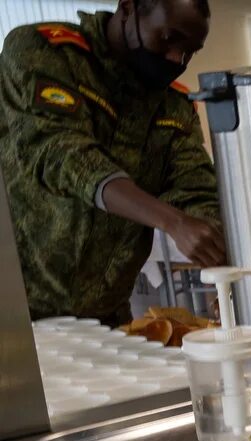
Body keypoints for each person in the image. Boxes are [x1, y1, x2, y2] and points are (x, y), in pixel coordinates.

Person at [0, 0, 223, 324]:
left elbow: (194, 187)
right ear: (128, 7)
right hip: (17, 308)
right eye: (168, 38)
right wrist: (171, 221)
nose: (178, 58)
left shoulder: (173, 105)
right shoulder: (46, 53)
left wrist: (217, 252)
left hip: (105, 315)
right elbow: (60, 152)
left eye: (191, 51)